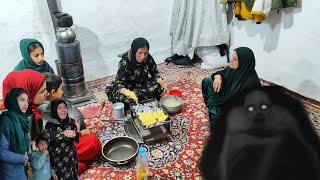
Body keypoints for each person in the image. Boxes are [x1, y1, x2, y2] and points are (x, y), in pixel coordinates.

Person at [199, 87, 320, 180]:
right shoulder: (236, 119)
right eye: (252, 109)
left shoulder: (283, 117)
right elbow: (225, 153)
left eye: (263, 107)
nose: (258, 113)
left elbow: (306, 145)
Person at [38, 72, 101, 173]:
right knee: (93, 141)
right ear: (53, 92)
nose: (62, 92)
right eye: (61, 89)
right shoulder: (49, 109)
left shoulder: (38, 103)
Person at [201, 47, 261, 125]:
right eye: (232, 57)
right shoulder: (235, 69)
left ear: (243, 62)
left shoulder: (250, 84)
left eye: (235, 59)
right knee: (207, 81)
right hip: (226, 97)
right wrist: (218, 77)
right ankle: (213, 109)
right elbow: (222, 72)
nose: (230, 60)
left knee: (216, 117)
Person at [105, 37, 168, 110]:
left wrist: (160, 80)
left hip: (142, 84)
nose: (143, 56)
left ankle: (140, 98)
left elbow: (154, 73)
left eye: (145, 53)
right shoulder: (124, 62)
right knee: (123, 99)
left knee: (159, 87)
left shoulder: (147, 57)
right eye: (140, 53)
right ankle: (140, 98)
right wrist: (126, 92)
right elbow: (118, 83)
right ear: (134, 51)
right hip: (128, 87)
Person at [2, 69, 48, 140]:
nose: (47, 94)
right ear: (29, 93)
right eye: (42, 91)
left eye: (45, 89)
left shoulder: (33, 108)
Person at [44, 99, 80, 179]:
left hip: (70, 156)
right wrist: (63, 133)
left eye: (64, 107)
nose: (63, 110)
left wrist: (78, 128)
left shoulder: (71, 122)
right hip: (57, 158)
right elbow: (46, 135)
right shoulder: (50, 124)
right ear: (55, 110)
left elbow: (76, 141)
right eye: (59, 108)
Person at [0, 88, 30, 180]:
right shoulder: (5, 121)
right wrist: (23, 158)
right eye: (22, 100)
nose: (26, 104)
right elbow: (1, 152)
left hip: (22, 171)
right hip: (9, 173)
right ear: (13, 101)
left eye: (27, 101)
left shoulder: (23, 120)